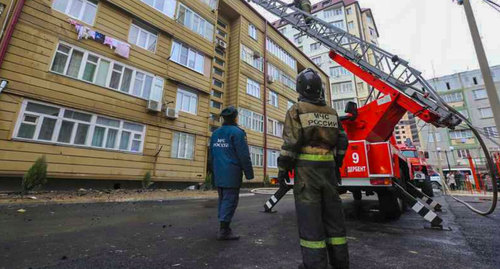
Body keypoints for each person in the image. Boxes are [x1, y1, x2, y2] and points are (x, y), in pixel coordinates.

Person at [278, 68, 349, 269]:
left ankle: (315, 265)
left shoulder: (297, 110)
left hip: (307, 173)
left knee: (311, 221)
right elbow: (343, 140)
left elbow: (291, 143)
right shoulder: (332, 112)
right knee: (334, 218)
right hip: (328, 171)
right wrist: (337, 165)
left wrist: (283, 169)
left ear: (300, 87)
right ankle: (340, 263)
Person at [210, 106, 254, 241]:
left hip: (219, 172)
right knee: (230, 201)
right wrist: (249, 173)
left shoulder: (215, 133)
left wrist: (213, 173)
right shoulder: (238, 133)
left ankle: (224, 227)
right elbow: (243, 155)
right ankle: (224, 230)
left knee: (223, 200)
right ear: (235, 117)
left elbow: (212, 154)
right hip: (232, 173)